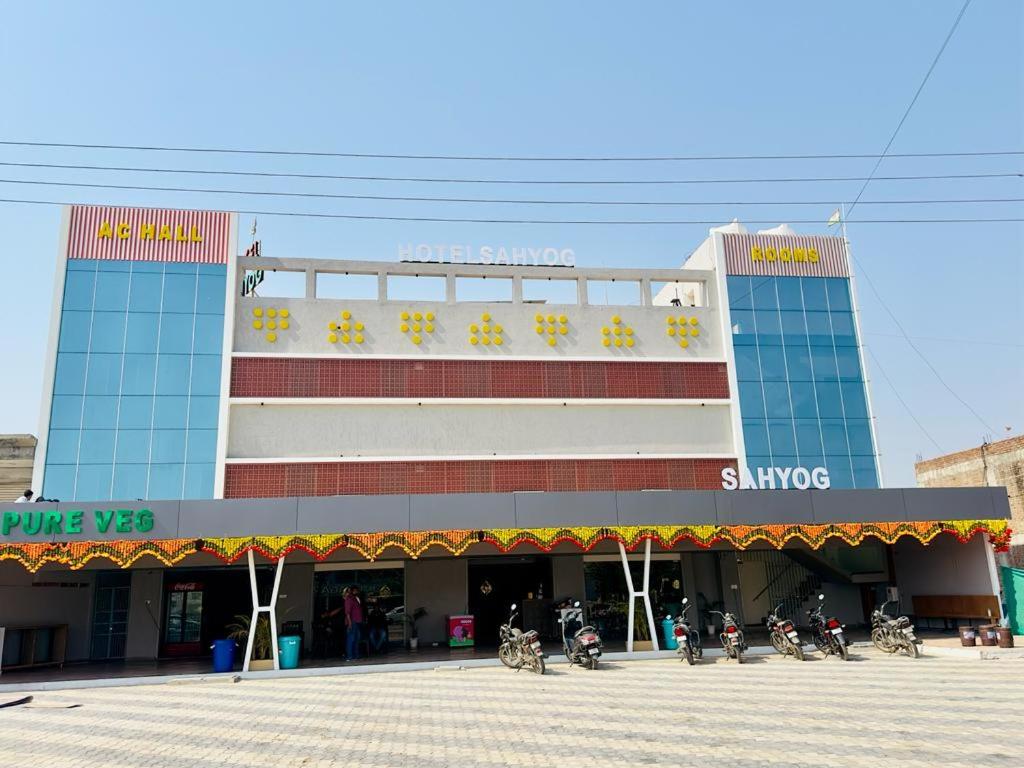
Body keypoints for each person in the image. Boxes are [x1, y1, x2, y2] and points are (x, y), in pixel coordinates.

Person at [344, 585, 364, 661]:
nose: (357, 592)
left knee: (357, 639)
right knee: (351, 639)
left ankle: (356, 655)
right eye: (356, 590)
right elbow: (347, 612)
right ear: (352, 591)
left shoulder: (356, 599)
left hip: (357, 621)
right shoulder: (349, 599)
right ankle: (349, 656)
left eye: (357, 590)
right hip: (352, 621)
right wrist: (349, 623)